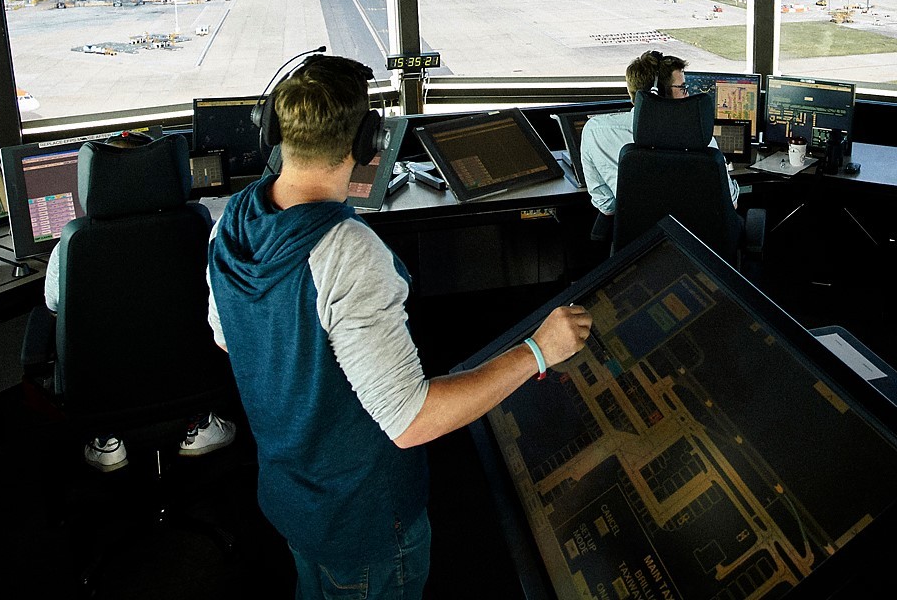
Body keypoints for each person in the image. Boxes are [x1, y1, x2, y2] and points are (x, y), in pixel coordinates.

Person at [206, 54, 593, 600]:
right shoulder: (346, 251)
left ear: (272, 127)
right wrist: (538, 349)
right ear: (368, 142)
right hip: (364, 519)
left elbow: (231, 339)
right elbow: (411, 422)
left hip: (293, 496)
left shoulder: (231, 222)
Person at [39, 131, 237, 473]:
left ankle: (107, 438)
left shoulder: (73, 245)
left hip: (102, 387)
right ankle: (199, 422)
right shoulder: (199, 229)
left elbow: (54, 308)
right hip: (190, 379)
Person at [580, 49, 684, 250]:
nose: (688, 94)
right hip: (699, 251)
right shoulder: (699, 136)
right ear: (658, 93)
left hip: (636, 252)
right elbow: (731, 203)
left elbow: (608, 206)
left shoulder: (595, 131)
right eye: (682, 88)